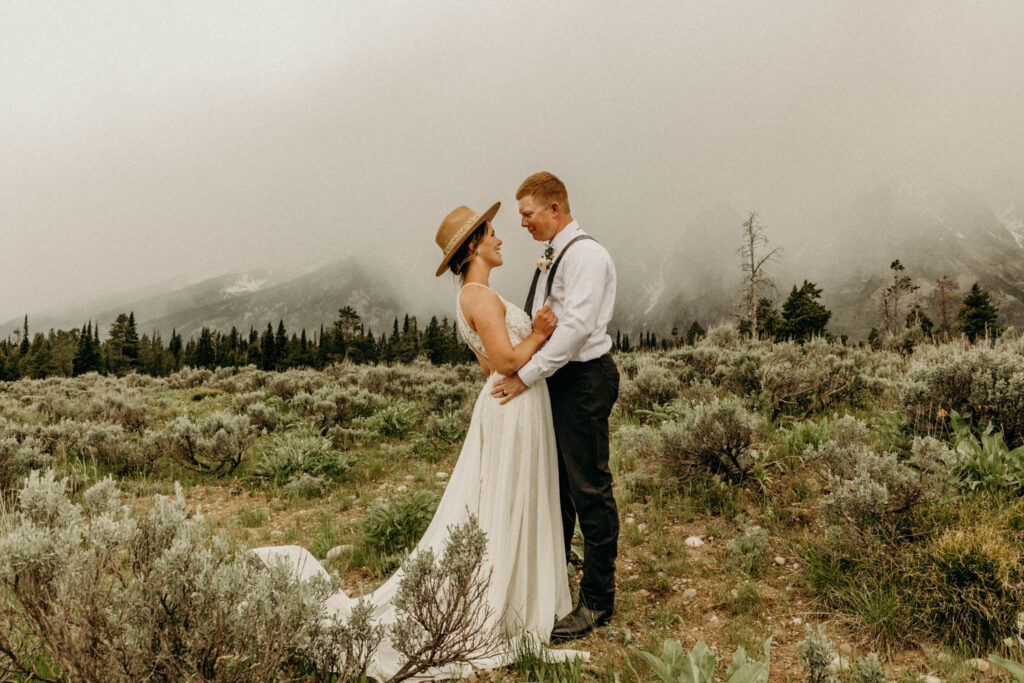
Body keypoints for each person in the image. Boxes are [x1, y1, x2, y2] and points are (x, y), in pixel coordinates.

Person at [252, 201, 585, 680]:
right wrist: (538, 333)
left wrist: (523, 349)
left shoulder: (470, 298)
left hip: (508, 403)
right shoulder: (481, 297)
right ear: (473, 246)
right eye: (492, 233)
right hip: (513, 405)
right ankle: (506, 602)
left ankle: (514, 591)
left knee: (502, 499)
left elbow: (488, 368)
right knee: (508, 498)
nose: (500, 239)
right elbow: (506, 363)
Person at [491, 172, 619, 642]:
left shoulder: (585, 255)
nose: (522, 223)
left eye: (527, 214)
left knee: (589, 488)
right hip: (559, 379)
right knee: (558, 488)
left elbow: (576, 329)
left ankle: (598, 601)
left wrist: (524, 375)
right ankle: (554, 589)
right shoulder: (555, 254)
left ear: (555, 209)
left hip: (583, 379)